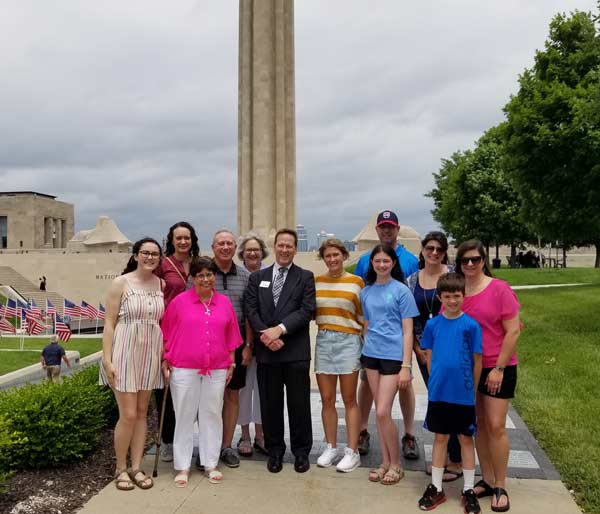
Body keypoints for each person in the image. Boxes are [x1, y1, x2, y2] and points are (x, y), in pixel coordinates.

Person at [161, 257, 243, 487]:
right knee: (185, 415)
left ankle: (210, 463)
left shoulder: (224, 303)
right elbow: (166, 333)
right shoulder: (179, 303)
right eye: (200, 275)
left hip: (216, 368)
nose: (205, 279)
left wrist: (231, 363)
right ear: (192, 278)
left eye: (209, 274)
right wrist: (165, 358)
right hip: (184, 368)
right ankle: (183, 465)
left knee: (211, 415)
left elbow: (232, 337)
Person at [456, 240, 521, 513]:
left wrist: (499, 369)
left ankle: (501, 485)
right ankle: (487, 478)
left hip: (497, 365)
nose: (470, 264)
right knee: (479, 425)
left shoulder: (499, 288)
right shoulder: (458, 292)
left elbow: (514, 331)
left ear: (484, 260)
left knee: (496, 425)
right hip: (470, 367)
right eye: (465, 260)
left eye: (475, 259)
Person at [245, 228, 316, 474]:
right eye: (281, 245)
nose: (285, 249)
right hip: (267, 352)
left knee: (299, 405)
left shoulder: (305, 277)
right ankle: (275, 450)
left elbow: (306, 311)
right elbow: (251, 310)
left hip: (295, 351)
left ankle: (301, 452)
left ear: (295, 249)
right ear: (274, 247)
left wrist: (280, 330)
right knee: (270, 405)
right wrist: (267, 335)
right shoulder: (258, 278)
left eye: (290, 246)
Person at [353, 210, 420, 459]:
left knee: (405, 383)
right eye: (383, 227)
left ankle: (409, 433)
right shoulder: (365, 260)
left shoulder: (410, 259)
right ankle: (362, 430)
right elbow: (363, 297)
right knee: (367, 384)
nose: (387, 230)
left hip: (400, 335)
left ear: (397, 229)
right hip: (373, 344)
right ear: (378, 229)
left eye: (391, 227)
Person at [100, 237, 165, 491]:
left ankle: (137, 467)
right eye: (145, 253)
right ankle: (120, 468)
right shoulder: (121, 283)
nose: (150, 257)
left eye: (155, 254)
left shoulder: (160, 284)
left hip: (149, 352)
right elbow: (109, 323)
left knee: (141, 414)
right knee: (127, 415)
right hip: (124, 351)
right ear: (136, 255)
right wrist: (107, 360)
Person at [417, 273, 482, 513]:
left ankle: (467, 488)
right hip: (439, 392)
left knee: (465, 439)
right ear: (440, 298)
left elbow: (477, 360)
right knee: (440, 437)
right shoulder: (433, 325)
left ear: (464, 296)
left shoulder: (471, 325)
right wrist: (434, 383)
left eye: (457, 296)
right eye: (447, 296)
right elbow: (429, 357)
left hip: (463, 393)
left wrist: (472, 390)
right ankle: (436, 486)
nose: (453, 301)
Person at [360, 244, 418, 485]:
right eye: (377, 261)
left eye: (386, 261)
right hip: (371, 354)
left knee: (383, 410)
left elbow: (408, 331)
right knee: (379, 413)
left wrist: (406, 365)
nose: (382, 265)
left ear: (393, 263)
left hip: (394, 357)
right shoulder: (366, 291)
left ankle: (396, 465)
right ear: (372, 263)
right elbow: (366, 322)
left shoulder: (402, 291)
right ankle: (385, 461)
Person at [406, 231, 462, 481]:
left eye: (439, 249)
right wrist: (418, 349)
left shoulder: (453, 276)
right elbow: (409, 316)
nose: (434, 253)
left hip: (452, 350)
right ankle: (448, 457)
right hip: (425, 352)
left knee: (454, 402)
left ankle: (456, 460)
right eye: (430, 248)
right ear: (423, 250)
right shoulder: (412, 280)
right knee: (439, 400)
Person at [314, 238, 363, 473]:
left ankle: (352, 452)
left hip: (349, 341)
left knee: (349, 398)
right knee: (326, 398)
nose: (332, 259)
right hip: (324, 339)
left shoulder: (356, 283)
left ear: (344, 255)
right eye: (327, 256)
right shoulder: (317, 282)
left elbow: (363, 317)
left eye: (336, 255)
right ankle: (331, 446)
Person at [154, 221, 200, 463]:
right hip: (167, 329)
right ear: (171, 240)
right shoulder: (162, 265)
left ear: (192, 240)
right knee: (167, 388)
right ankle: (168, 440)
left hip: (194, 332)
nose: (183, 241)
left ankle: (194, 440)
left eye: (187, 237)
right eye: (178, 238)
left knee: (192, 387)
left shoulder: (199, 264)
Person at [210, 229, 250, 469]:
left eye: (229, 244)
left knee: (232, 394)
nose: (225, 247)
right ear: (213, 247)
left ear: (235, 248)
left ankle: (226, 446)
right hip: (207, 342)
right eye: (221, 243)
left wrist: (249, 347)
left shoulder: (245, 276)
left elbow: (250, 315)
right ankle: (209, 445)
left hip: (236, 342)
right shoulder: (202, 273)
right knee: (209, 397)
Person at [236, 232, 270, 456]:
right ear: (242, 253)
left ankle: (261, 434)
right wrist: (248, 343)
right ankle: (245, 435)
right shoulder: (238, 275)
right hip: (242, 341)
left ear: (262, 252)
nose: (252, 253)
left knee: (263, 391)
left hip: (267, 341)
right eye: (248, 249)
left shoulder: (271, 275)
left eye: (256, 249)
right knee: (244, 390)